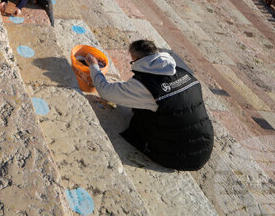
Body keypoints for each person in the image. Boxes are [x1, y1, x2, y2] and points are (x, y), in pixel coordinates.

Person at [85, 39, 214, 171]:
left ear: (137, 60)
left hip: (178, 156)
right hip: (205, 145)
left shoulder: (144, 87)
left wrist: (94, 66)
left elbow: (105, 91)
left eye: (132, 61)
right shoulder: (184, 73)